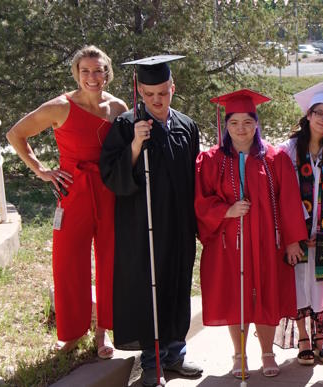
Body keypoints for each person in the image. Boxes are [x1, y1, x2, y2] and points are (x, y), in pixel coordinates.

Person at [6, 45, 126, 358]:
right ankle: (72, 332)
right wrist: (42, 170)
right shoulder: (59, 107)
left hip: (110, 191)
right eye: (85, 71)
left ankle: (104, 333)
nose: (92, 76)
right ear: (76, 73)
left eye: (98, 70)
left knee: (111, 261)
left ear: (107, 73)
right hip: (73, 192)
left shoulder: (118, 107)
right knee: (68, 261)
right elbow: (16, 134)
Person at [99, 55, 202, 387]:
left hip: (179, 225)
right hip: (143, 227)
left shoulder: (187, 126)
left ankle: (175, 356)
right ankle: (150, 362)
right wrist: (135, 143)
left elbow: (193, 176)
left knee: (177, 286)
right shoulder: (126, 125)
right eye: (149, 94)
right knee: (148, 290)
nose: (157, 100)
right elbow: (112, 175)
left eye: (163, 92)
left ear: (173, 87)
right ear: (139, 91)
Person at [195, 88, 307, 379]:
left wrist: (293, 240)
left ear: (257, 123)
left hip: (268, 241)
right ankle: (239, 354)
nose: (241, 129)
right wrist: (225, 211)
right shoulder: (210, 160)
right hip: (229, 242)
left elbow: (290, 201)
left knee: (267, 295)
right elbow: (200, 200)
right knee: (237, 297)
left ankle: (267, 353)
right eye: (234, 123)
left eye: (247, 122)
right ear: (226, 125)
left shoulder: (275, 158)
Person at [276, 79, 323, 366]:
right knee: (299, 282)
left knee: (322, 284)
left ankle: (321, 339)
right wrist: (298, 230)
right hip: (298, 231)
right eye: (319, 114)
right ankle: (304, 337)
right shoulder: (289, 150)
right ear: (308, 115)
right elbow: (284, 193)